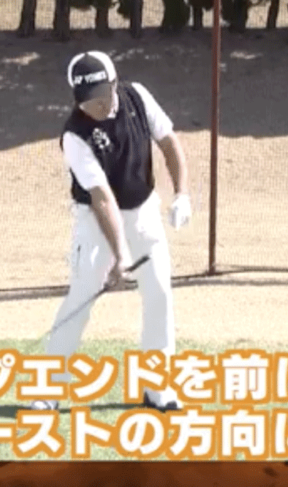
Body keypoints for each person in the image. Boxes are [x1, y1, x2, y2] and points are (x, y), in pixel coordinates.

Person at [30, 50, 191, 412]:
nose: (96, 106)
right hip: (95, 220)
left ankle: (158, 389)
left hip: (143, 211)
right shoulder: (74, 135)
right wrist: (119, 255)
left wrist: (182, 193)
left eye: (101, 96)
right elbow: (102, 199)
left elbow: (169, 142)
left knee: (159, 294)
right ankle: (47, 391)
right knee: (81, 299)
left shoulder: (138, 97)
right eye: (87, 100)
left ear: (115, 84)